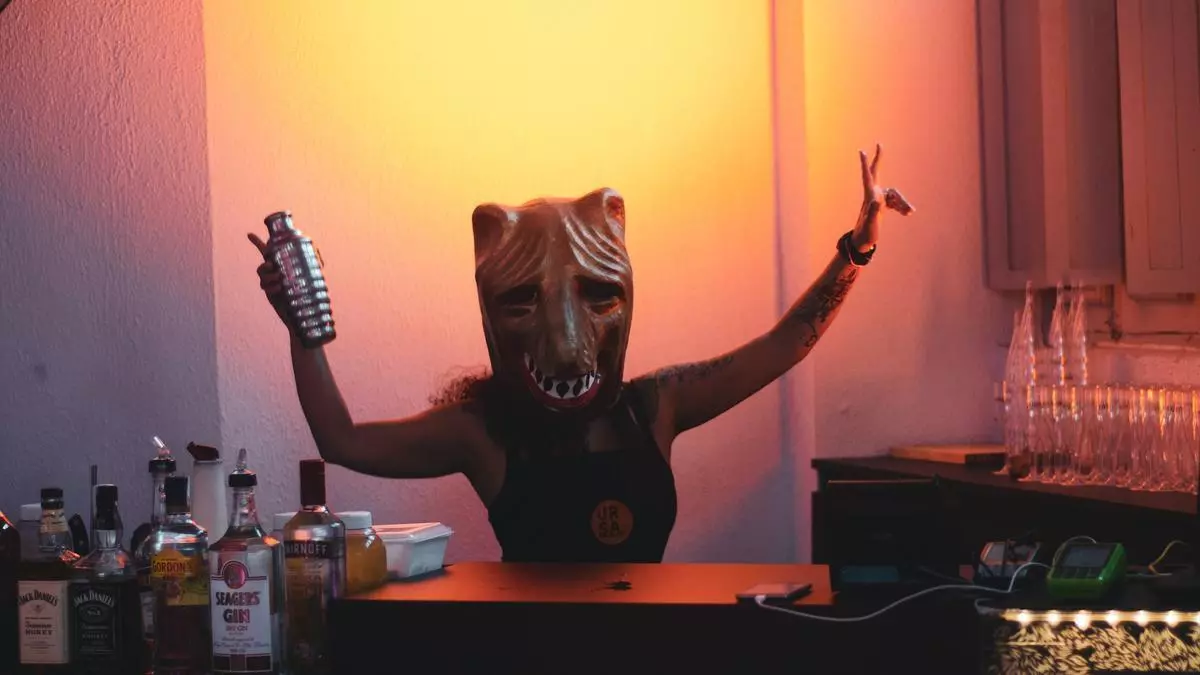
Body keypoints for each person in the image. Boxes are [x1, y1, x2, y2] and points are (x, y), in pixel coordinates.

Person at [250, 146, 912, 563]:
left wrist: (857, 248)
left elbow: (785, 344)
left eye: (597, 294)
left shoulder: (655, 406)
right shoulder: (483, 433)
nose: (566, 343)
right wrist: (303, 326)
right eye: (522, 301)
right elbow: (341, 439)